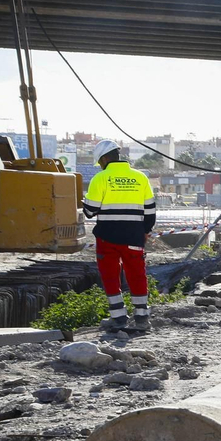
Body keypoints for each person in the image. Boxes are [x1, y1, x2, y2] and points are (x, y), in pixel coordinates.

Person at [82, 140, 157, 333]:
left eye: (100, 162)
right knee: (137, 275)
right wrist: (144, 232)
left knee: (110, 276)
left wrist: (85, 202)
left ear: (104, 159)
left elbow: (89, 211)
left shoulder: (100, 178)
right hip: (134, 236)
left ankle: (118, 318)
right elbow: (150, 211)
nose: (100, 165)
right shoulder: (140, 177)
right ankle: (142, 318)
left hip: (107, 238)